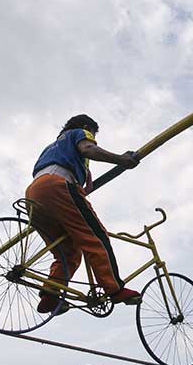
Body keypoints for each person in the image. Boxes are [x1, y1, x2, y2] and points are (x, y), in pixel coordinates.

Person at [28, 114, 142, 313]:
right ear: (87, 128)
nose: (92, 137)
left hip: (34, 193)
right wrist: (121, 159)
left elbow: (82, 178)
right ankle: (114, 289)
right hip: (58, 186)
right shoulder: (79, 132)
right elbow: (89, 149)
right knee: (95, 237)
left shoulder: (53, 147)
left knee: (67, 252)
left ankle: (51, 294)